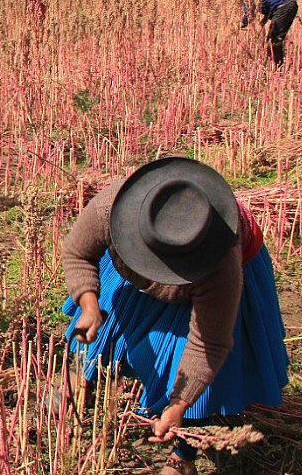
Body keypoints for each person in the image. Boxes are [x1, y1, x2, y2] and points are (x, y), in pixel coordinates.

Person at [60, 158, 288, 475]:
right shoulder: (113, 207)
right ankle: (81, 376)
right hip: (134, 264)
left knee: (205, 380)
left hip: (215, 284)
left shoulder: (221, 268)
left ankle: (182, 457)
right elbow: (77, 252)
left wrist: (178, 404)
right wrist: (88, 304)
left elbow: (207, 345)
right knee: (106, 320)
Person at [238, 0, 298, 66]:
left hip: (284, 6)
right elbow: (269, 5)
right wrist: (263, 21)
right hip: (289, 4)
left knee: (274, 39)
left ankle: (278, 66)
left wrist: (238, 26)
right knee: (274, 37)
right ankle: (275, 64)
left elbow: (249, 14)